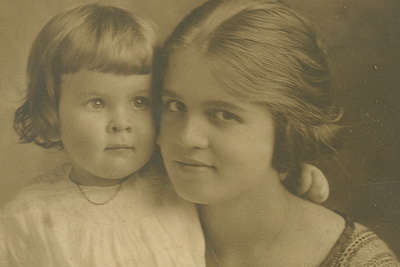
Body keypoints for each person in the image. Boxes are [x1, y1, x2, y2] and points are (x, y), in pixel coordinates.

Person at [0, 3, 330, 266]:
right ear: (51, 114)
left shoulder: (168, 179)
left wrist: (291, 172)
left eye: (140, 102)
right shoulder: (29, 217)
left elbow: (242, 186)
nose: (121, 123)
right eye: (97, 103)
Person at [156, 0, 400, 266]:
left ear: (287, 125)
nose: (187, 137)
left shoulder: (359, 261)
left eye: (224, 114)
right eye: (175, 106)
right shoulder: (122, 224)